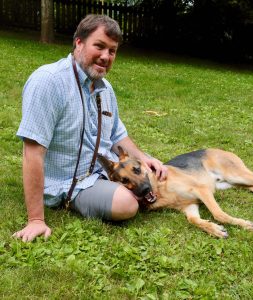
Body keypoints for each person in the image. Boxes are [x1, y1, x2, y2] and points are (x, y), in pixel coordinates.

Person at [13, 14, 167, 242]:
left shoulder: (106, 89)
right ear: (78, 43)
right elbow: (32, 152)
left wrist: (145, 159)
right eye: (99, 46)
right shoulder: (48, 81)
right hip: (68, 183)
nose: (106, 56)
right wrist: (36, 220)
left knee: (158, 177)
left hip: (104, 171)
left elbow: (117, 135)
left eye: (112, 51)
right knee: (127, 204)